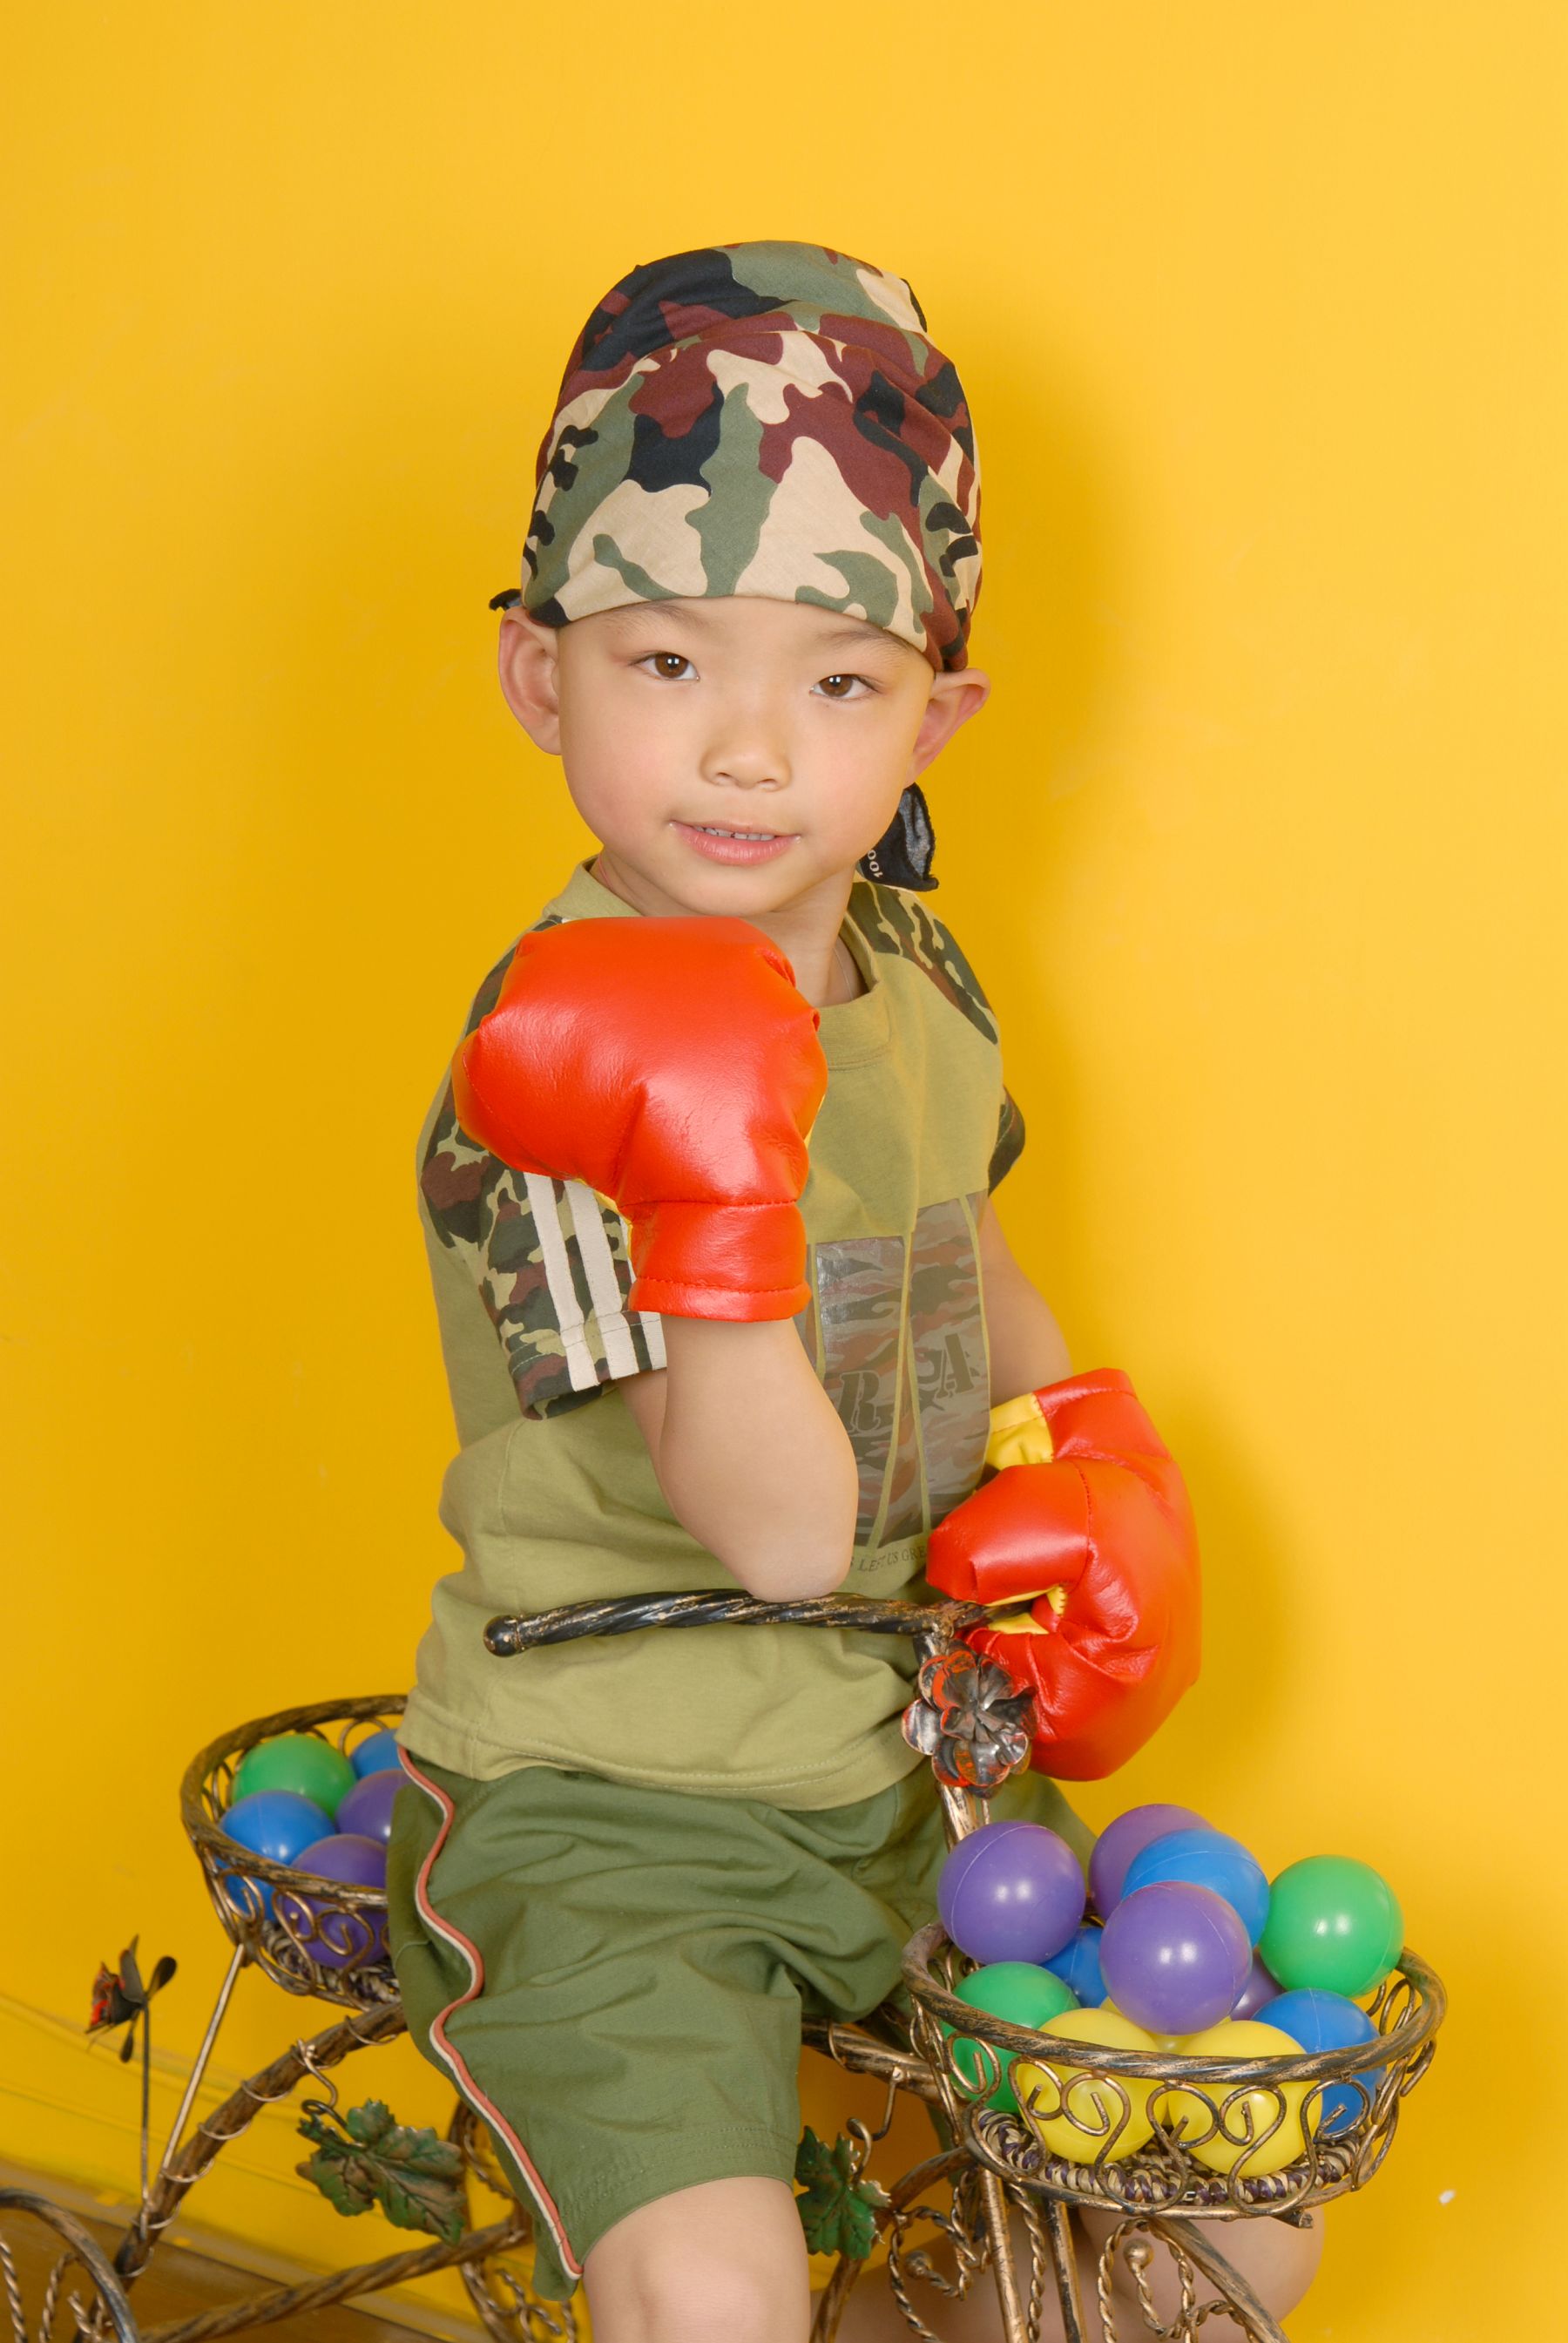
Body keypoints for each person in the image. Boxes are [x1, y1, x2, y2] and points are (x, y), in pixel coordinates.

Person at [385, 240, 1321, 2341]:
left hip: (913, 1780)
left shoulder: (920, 980)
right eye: (665, 662)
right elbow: (785, 1534)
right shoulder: (552, 1059)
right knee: (716, 2298)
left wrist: (1097, 1478)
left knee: (1226, 2224)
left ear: (932, 716)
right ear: (541, 677)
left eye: (835, 682)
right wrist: (712, 1197)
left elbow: (966, 1255)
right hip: (608, 1807)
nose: (746, 750)